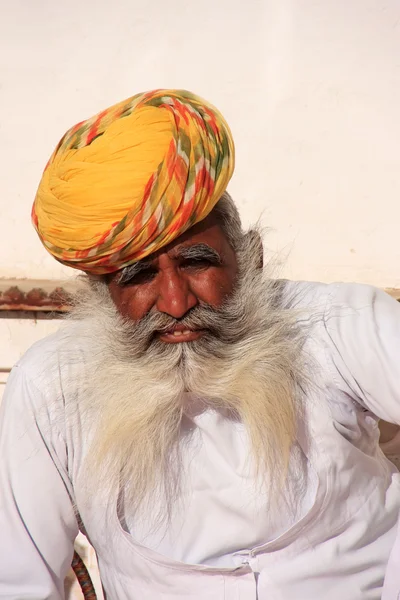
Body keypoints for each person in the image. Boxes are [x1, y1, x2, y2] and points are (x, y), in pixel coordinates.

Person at [0, 89, 399, 600]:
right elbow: (19, 581)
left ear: (251, 259)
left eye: (196, 262)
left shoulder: (334, 325)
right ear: (104, 297)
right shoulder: (52, 386)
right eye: (140, 274)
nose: (174, 300)